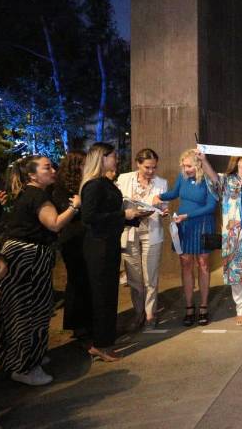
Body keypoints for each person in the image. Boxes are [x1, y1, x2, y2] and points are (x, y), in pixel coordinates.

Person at [0, 156, 80, 385]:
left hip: (23, 257)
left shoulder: (29, 193)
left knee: (25, 309)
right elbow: (54, 223)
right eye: (47, 168)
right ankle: (26, 366)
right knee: (31, 310)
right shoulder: (37, 196)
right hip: (29, 258)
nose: (53, 170)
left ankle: (24, 358)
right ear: (32, 175)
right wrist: (75, 206)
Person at [81, 143, 147, 362]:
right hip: (98, 247)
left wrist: (135, 216)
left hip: (108, 244)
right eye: (113, 156)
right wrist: (124, 215)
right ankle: (101, 344)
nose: (116, 159)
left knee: (109, 295)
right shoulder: (93, 185)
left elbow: (109, 213)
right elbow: (89, 218)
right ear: (102, 157)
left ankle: (105, 341)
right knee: (102, 296)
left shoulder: (104, 183)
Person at [199, 148, 242, 325]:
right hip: (233, 235)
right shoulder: (226, 181)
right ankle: (241, 309)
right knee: (236, 273)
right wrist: (203, 159)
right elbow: (213, 178)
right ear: (235, 163)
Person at [157, 149, 217, 326]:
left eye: (189, 165)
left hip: (203, 226)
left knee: (203, 265)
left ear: (198, 164)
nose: (186, 168)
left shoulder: (208, 180)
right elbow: (174, 193)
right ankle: (189, 306)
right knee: (185, 264)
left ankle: (204, 306)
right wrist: (158, 196)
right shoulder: (182, 177)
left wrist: (187, 216)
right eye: (183, 165)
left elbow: (211, 207)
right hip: (183, 227)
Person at [116, 148, 168, 330]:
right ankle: (138, 312)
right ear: (138, 164)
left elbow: (163, 207)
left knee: (150, 277)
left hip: (151, 232)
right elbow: (116, 203)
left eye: (154, 167)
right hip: (129, 232)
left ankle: (150, 315)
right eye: (147, 167)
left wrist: (163, 211)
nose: (151, 171)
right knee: (135, 278)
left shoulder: (161, 182)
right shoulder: (123, 179)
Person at [51, 151, 91, 339]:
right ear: (75, 166)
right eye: (84, 164)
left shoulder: (83, 184)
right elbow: (65, 214)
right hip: (72, 239)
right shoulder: (61, 188)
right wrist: (79, 205)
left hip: (85, 237)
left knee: (85, 280)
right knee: (77, 280)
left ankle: (83, 322)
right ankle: (77, 325)